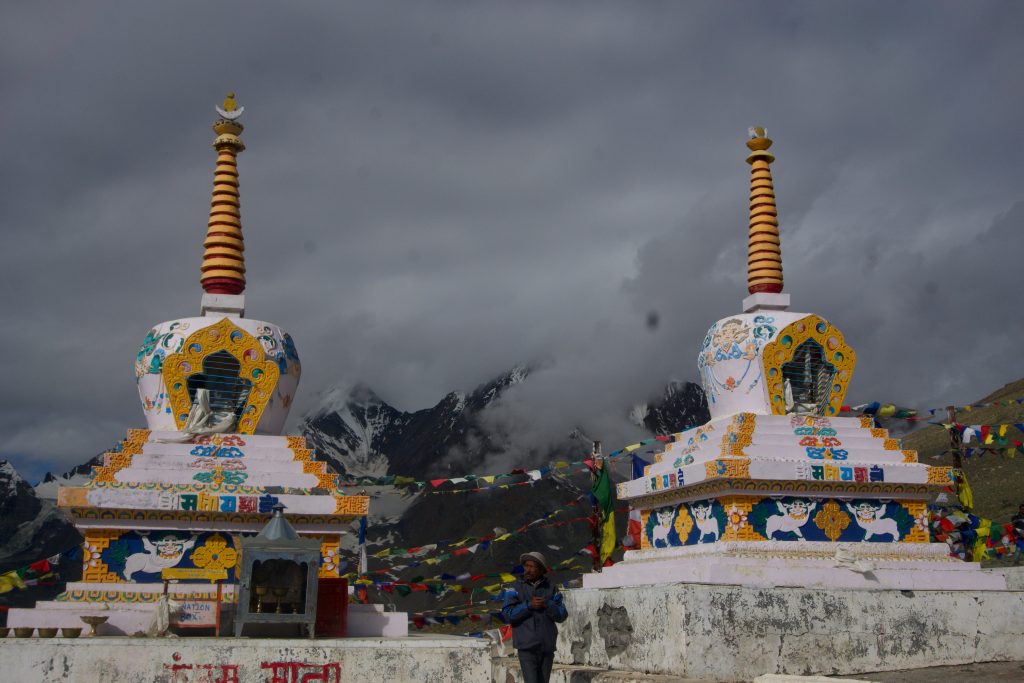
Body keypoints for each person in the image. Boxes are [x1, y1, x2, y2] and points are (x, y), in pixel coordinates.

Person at [501, 551, 568, 683]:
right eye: (526, 566)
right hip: (526, 646)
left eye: (532, 567)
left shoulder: (551, 587)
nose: (528, 570)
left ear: (541, 569)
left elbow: (562, 615)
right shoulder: (515, 588)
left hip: (547, 645)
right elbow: (507, 614)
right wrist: (528, 606)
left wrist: (548, 604)